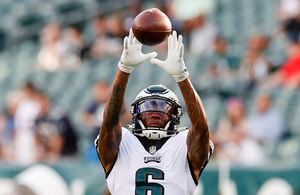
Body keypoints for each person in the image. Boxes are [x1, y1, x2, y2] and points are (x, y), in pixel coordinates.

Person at [95, 29, 213, 194]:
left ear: (176, 115)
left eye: (164, 108)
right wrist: (124, 68)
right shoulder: (123, 140)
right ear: (135, 114)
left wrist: (181, 76)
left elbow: (201, 128)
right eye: (147, 108)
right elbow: (109, 122)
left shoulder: (183, 142)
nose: (155, 113)